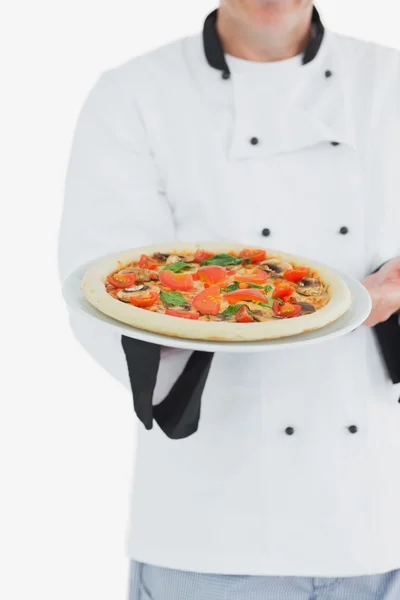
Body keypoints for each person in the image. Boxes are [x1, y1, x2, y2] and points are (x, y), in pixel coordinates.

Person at [58, 1, 400, 598]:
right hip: (212, 534)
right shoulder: (135, 95)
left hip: (379, 520)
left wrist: (373, 303)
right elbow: (107, 287)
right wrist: (263, 307)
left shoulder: (390, 82)